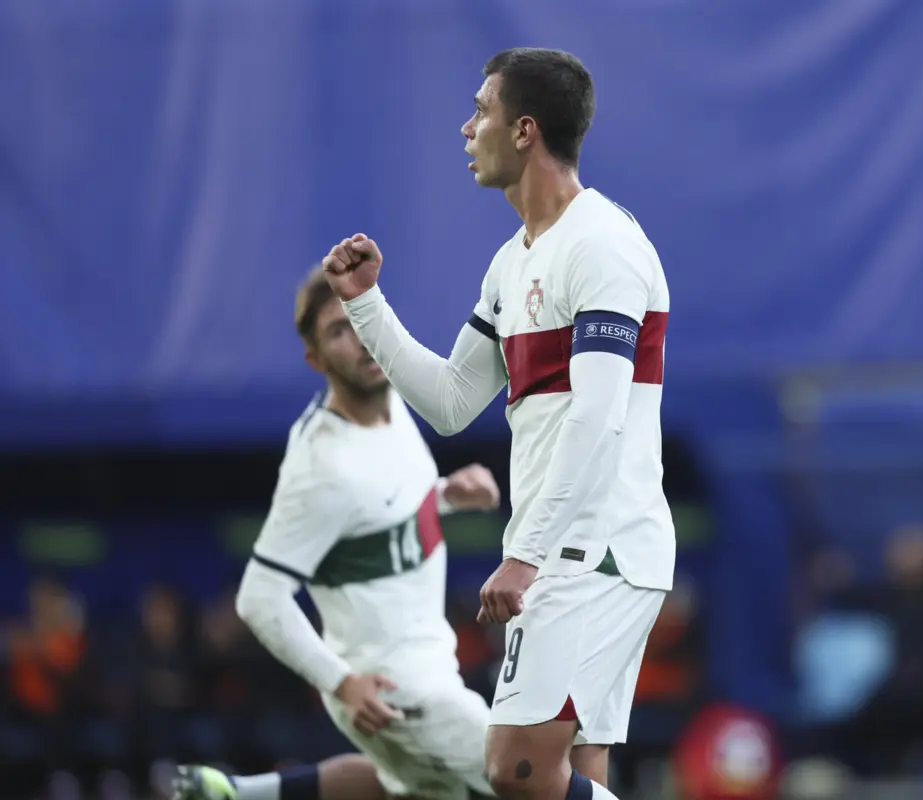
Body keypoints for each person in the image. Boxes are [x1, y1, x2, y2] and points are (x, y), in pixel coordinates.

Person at [320, 47, 674, 800]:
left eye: (480, 110)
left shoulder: (602, 244)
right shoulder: (512, 263)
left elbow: (598, 418)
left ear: (523, 131)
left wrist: (527, 557)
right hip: (567, 550)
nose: (465, 126)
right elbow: (451, 401)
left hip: (595, 548)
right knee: (573, 776)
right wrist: (365, 304)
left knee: (514, 769)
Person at [173, 266, 502, 800]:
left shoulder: (393, 400)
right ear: (316, 359)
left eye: (359, 320)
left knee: (403, 787)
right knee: (534, 775)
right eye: (336, 331)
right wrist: (343, 683)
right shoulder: (320, 465)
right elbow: (259, 597)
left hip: (424, 674)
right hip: (392, 692)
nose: (358, 339)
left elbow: (376, 511)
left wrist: (445, 494)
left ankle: (237, 793)